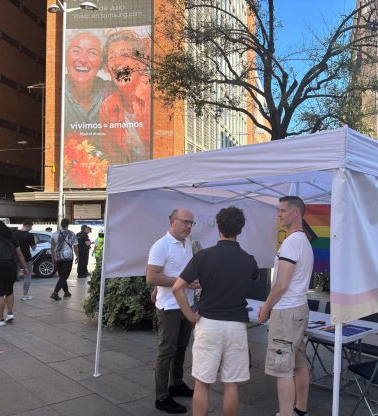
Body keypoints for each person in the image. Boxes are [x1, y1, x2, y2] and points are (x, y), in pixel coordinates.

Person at [173, 207, 259, 416]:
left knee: (202, 382)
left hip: (208, 323)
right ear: (240, 229)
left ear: (218, 227)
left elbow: (177, 288)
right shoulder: (248, 259)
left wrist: (190, 315)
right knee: (231, 384)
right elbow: (254, 276)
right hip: (236, 326)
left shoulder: (204, 256)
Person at [258, 196, 314, 416]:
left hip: (287, 312)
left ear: (296, 213)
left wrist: (266, 307)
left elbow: (281, 284)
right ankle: (300, 410)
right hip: (298, 309)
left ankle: (286, 413)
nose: (279, 214)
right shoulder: (303, 241)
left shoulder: (292, 242)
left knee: (282, 369)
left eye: (283, 211)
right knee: (299, 363)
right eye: (278, 210)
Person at [146, 209, 199, 414]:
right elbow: (152, 276)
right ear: (172, 221)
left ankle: (176, 383)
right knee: (166, 351)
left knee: (181, 348)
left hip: (186, 305)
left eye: (191, 223)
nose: (188, 226)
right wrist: (181, 283)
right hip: (169, 307)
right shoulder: (161, 245)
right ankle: (162, 397)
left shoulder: (187, 244)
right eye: (185, 222)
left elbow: (171, 272)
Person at [98, 30, 151, 165]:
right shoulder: (107, 107)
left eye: (125, 55)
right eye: (112, 57)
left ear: (141, 63)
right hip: (130, 180)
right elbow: (112, 158)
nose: (117, 62)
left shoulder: (155, 95)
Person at [65, 31, 114, 130]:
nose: (83, 59)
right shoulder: (55, 91)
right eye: (76, 51)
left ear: (102, 61)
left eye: (92, 53)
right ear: (66, 57)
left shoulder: (113, 92)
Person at [0, 220, 27, 326]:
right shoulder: (12, 238)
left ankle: (0, 320)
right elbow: (19, 254)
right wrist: (24, 267)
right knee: (9, 291)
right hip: (11, 269)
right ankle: (10, 314)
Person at [50, 218, 78, 301]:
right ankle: (55, 293)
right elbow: (75, 246)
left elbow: (52, 248)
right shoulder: (72, 234)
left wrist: (52, 257)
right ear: (68, 224)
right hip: (68, 257)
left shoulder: (54, 234)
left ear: (60, 224)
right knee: (64, 276)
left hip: (58, 257)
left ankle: (66, 292)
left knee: (62, 275)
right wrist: (77, 256)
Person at [13, 220, 37, 300]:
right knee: (27, 276)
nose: (31, 228)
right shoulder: (29, 235)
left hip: (15, 258)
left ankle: (8, 294)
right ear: (28, 225)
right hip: (27, 258)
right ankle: (25, 295)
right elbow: (34, 248)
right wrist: (35, 241)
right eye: (31, 226)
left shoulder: (14, 233)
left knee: (12, 277)